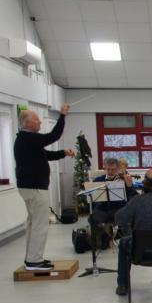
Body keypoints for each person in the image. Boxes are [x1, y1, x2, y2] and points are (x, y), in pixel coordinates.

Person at [14, 104, 75, 271]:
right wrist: (62, 116)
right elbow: (54, 135)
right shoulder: (29, 138)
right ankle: (34, 261)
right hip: (34, 187)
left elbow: (46, 155)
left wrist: (63, 153)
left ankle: (31, 258)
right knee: (40, 223)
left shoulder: (25, 140)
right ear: (27, 123)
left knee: (33, 223)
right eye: (36, 119)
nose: (40, 121)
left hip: (29, 187)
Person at [90, 157, 139, 231]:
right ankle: (100, 240)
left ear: (117, 169)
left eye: (113, 169)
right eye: (108, 169)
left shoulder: (123, 180)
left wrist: (129, 186)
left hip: (118, 209)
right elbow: (91, 197)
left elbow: (134, 197)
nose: (110, 172)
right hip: (102, 209)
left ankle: (126, 240)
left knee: (125, 217)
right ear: (105, 168)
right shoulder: (98, 180)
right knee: (94, 218)